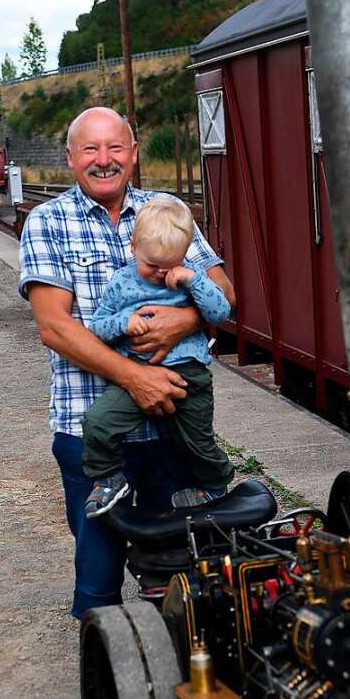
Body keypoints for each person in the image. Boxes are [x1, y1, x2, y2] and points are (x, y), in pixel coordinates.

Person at [19, 106, 235, 620]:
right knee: (99, 575)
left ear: (133, 154)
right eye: (90, 149)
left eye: (115, 147)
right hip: (90, 428)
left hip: (171, 427)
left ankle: (182, 671)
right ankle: (111, 687)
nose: (103, 160)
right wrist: (136, 378)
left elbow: (223, 291)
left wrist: (181, 323)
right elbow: (56, 327)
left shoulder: (165, 212)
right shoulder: (48, 222)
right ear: (71, 159)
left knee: (186, 568)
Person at [82, 197, 234, 517]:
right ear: (133, 245)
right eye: (151, 265)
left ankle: (216, 483)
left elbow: (221, 311)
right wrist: (124, 322)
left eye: (169, 266)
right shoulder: (123, 282)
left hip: (189, 373)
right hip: (136, 371)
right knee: (98, 422)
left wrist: (191, 280)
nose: (159, 275)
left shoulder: (190, 276)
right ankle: (109, 476)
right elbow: (97, 326)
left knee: (197, 443)